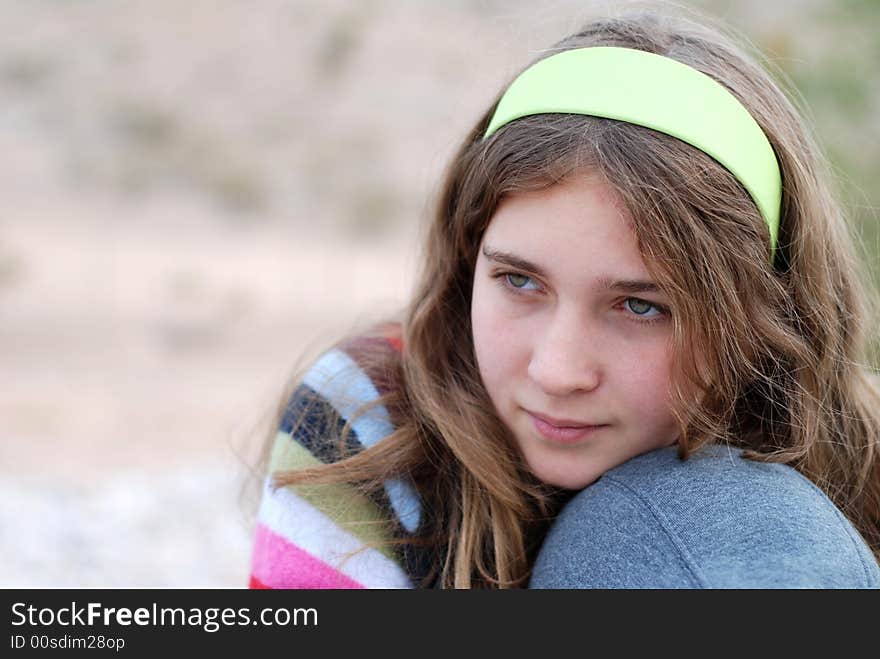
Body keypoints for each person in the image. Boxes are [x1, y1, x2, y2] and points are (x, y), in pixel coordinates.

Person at [247, 5, 880, 589]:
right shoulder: (369, 416)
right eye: (519, 282)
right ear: (467, 260)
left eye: (641, 306)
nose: (557, 370)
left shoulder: (860, 454)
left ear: (757, 318)